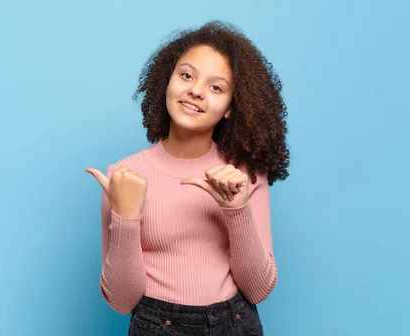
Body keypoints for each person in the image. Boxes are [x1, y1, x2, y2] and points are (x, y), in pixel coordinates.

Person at [86, 20, 290, 336]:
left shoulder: (244, 175)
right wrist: (126, 216)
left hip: (234, 323)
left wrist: (237, 210)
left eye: (216, 87)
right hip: (156, 325)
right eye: (186, 75)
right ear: (166, 80)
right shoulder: (124, 176)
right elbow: (122, 302)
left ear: (230, 109)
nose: (195, 90)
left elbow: (258, 290)